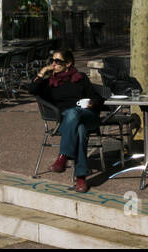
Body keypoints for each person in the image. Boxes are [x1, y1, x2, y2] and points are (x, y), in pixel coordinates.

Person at [29, 49, 103, 192]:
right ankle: (81, 178)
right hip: (67, 123)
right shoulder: (50, 83)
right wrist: (43, 71)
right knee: (79, 129)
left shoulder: (80, 78)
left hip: (88, 116)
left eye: (57, 61)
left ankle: (63, 156)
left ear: (68, 63)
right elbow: (32, 89)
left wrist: (91, 103)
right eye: (52, 61)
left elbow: (97, 98)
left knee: (74, 112)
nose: (53, 64)